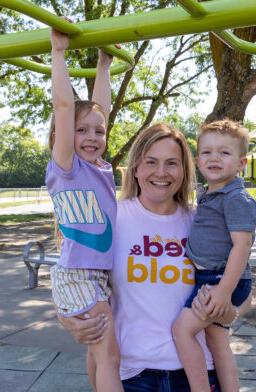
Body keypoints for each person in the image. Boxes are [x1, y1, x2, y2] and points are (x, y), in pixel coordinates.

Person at [58, 122, 252, 391]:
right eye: (151, 162)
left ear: (185, 170)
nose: (161, 172)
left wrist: (229, 313)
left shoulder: (204, 220)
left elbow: (243, 285)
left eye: (172, 163)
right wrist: (67, 319)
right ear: (136, 168)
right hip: (134, 374)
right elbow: (74, 278)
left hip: (198, 374)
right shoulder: (110, 218)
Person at [46, 27, 123, 392]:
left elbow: (101, 110)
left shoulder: (99, 168)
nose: (92, 137)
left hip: (95, 274)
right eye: (81, 131)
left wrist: (103, 66)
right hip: (77, 273)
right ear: (64, 136)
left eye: (99, 132)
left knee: (98, 355)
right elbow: (64, 106)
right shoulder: (67, 166)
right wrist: (58, 54)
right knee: (109, 356)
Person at [172, 119, 256, 392]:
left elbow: (242, 247)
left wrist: (223, 291)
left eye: (224, 152)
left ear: (241, 163)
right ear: (198, 161)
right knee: (218, 341)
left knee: (182, 330)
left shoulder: (236, 199)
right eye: (207, 152)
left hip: (220, 279)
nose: (214, 158)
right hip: (212, 276)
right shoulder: (210, 194)